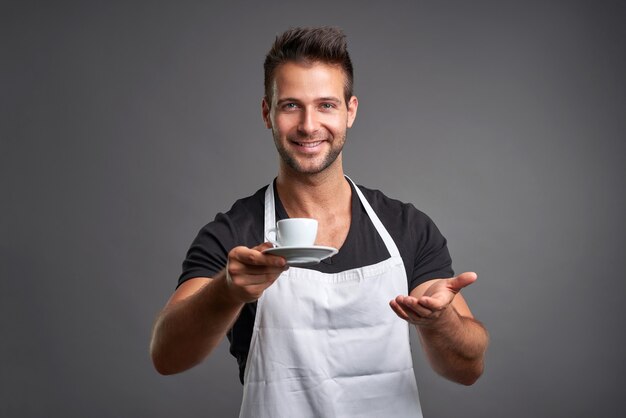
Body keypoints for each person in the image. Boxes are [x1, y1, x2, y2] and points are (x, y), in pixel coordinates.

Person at [150, 26, 489, 417]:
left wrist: (439, 321)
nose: (309, 125)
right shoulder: (232, 234)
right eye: (291, 105)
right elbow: (166, 356)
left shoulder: (406, 227)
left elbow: (469, 369)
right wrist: (227, 291)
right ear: (267, 113)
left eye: (326, 104)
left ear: (351, 112)